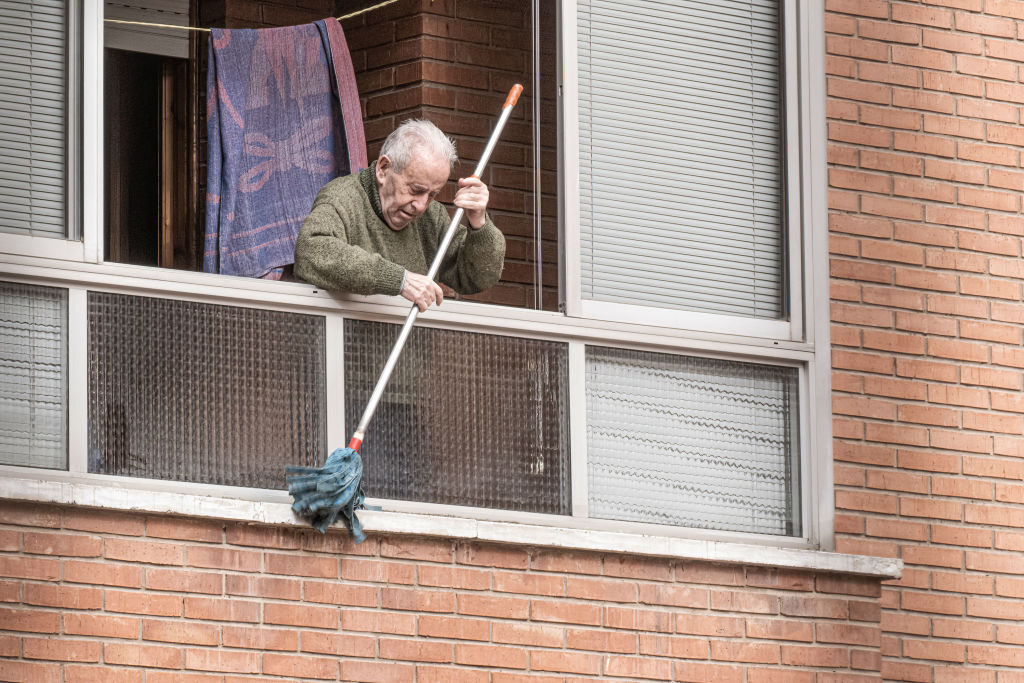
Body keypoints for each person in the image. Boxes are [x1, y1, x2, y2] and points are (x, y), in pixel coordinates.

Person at [294, 119, 506, 310]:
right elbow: (311, 251)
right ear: (383, 169)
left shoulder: (432, 218)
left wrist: (479, 223)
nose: (422, 206)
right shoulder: (344, 197)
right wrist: (399, 280)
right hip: (344, 350)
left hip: (410, 351)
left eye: (433, 194)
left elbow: (477, 277)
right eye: (416, 190)